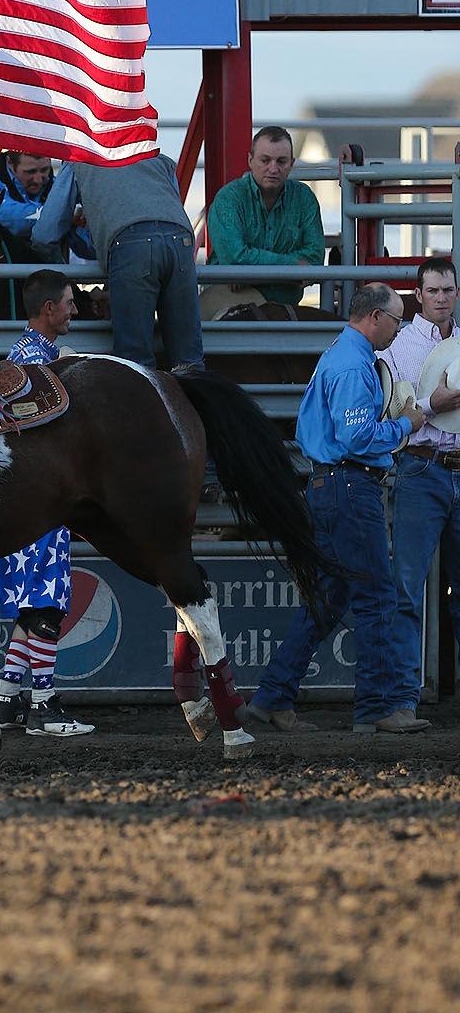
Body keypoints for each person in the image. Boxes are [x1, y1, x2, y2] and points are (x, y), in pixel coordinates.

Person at [242, 283, 429, 736]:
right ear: (374, 318)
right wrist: (407, 424)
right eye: (396, 319)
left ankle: (272, 697)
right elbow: (357, 439)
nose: (398, 328)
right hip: (351, 487)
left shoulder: (341, 356)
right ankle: (377, 707)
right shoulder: (352, 363)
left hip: (330, 486)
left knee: (327, 600)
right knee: (377, 596)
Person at [0, 270, 94, 737]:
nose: (75, 309)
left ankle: (5, 702)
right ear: (49, 309)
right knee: (46, 605)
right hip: (36, 506)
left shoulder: (31, 358)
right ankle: (44, 707)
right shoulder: (37, 366)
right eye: (69, 302)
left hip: (23, 503)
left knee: (33, 609)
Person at [377, 258, 460, 722]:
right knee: (407, 588)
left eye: (448, 290)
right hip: (421, 468)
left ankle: (405, 699)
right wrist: (433, 404)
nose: (442, 297)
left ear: (456, 293)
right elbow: (392, 414)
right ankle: (402, 701)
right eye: (433, 291)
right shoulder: (398, 348)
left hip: (446, 468)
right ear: (418, 295)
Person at [33, 153, 202, 369]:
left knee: (135, 361)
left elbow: (45, 234)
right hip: (181, 241)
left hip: (131, 246)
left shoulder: (79, 158)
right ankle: (196, 401)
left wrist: (63, 277)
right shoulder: (158, 157)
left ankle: (142, 401)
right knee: (189, 360)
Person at [206, 127, 325, 307]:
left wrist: (246, 275)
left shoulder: (304, 197)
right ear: (250, 160)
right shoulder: (228, 198)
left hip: (284, 308)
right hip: (228, 306)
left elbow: (314, 257)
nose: (273, 168)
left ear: (292, 164)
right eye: (265, 160)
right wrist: (293, 268)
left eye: (281, 161)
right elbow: (235, 258)